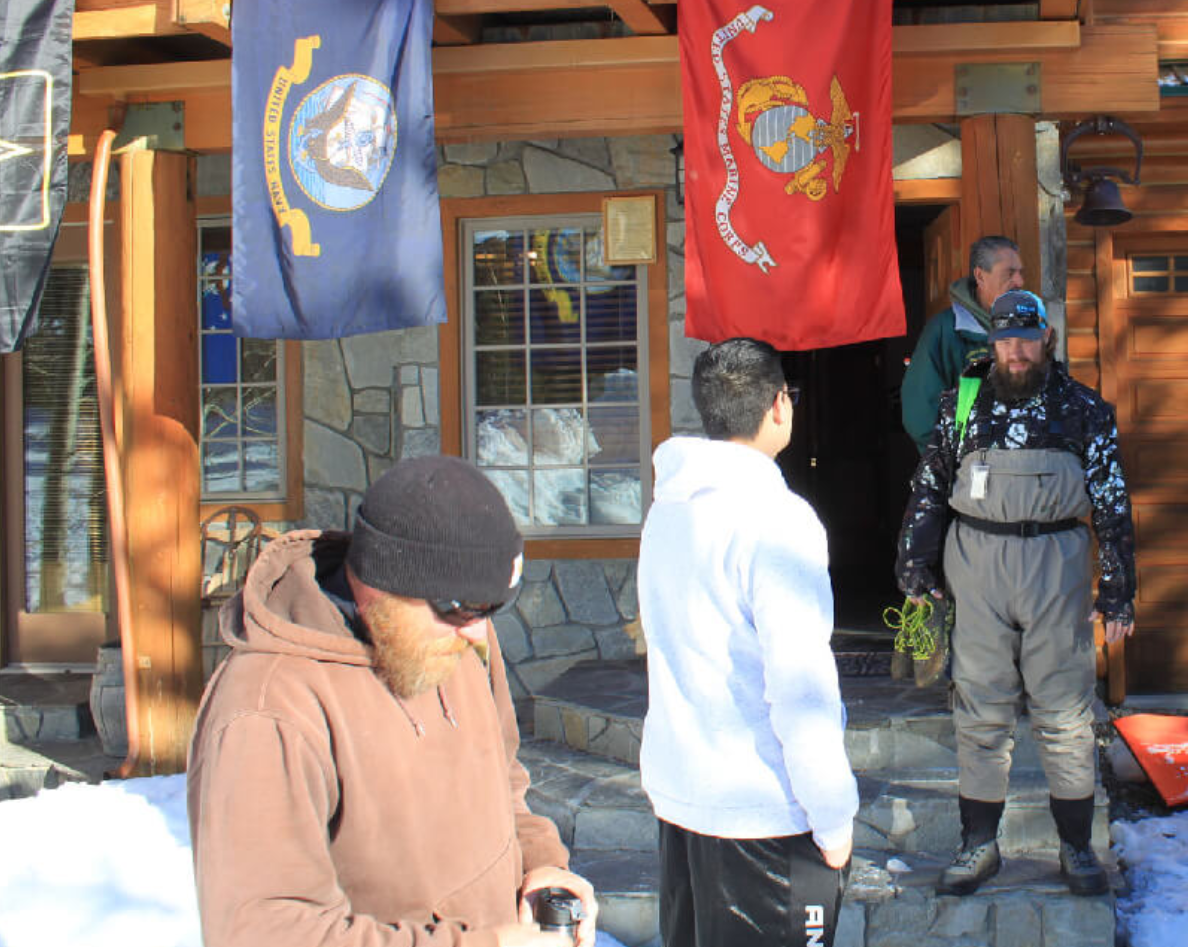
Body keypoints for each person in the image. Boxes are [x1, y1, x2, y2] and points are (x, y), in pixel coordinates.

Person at [187, 455, 597, 947]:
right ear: (385, 581)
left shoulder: (452, 638)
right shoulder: (269, 708)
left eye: (492, 607)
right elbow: (265, 932)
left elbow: (501, 780)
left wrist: (542, 866)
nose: (477, 631)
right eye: (462, 607)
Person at [895, 289, 1136, 898]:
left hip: (1056, 566)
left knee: (1063, 709)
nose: (1016, 351)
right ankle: (979, 845)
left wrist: (1118, 592)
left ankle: (1077, 848)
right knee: (980, 707)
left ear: (1046, 339)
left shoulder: (1085, 410)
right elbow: (928, 488)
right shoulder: (962, 404)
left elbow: (1111, 502)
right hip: (977, 564)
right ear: (992, 343)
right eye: (1005, 340)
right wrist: (916, 569)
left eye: (1026, 338)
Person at [638, 337, 858, 947]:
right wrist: (832, 815)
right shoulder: (777, 519)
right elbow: (799, 687)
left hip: (684, 798)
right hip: (762, 813)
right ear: (779, 405)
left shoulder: (669, 509)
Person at [900, 235, 1025, 449]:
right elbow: (920, 415)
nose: (1020, 282)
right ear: (980, 276)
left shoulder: (1031, 328)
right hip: (969, 471)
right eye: (1009, 273)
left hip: (1026, 470)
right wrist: (959, 459)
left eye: (1021, 273)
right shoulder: (944, 330)